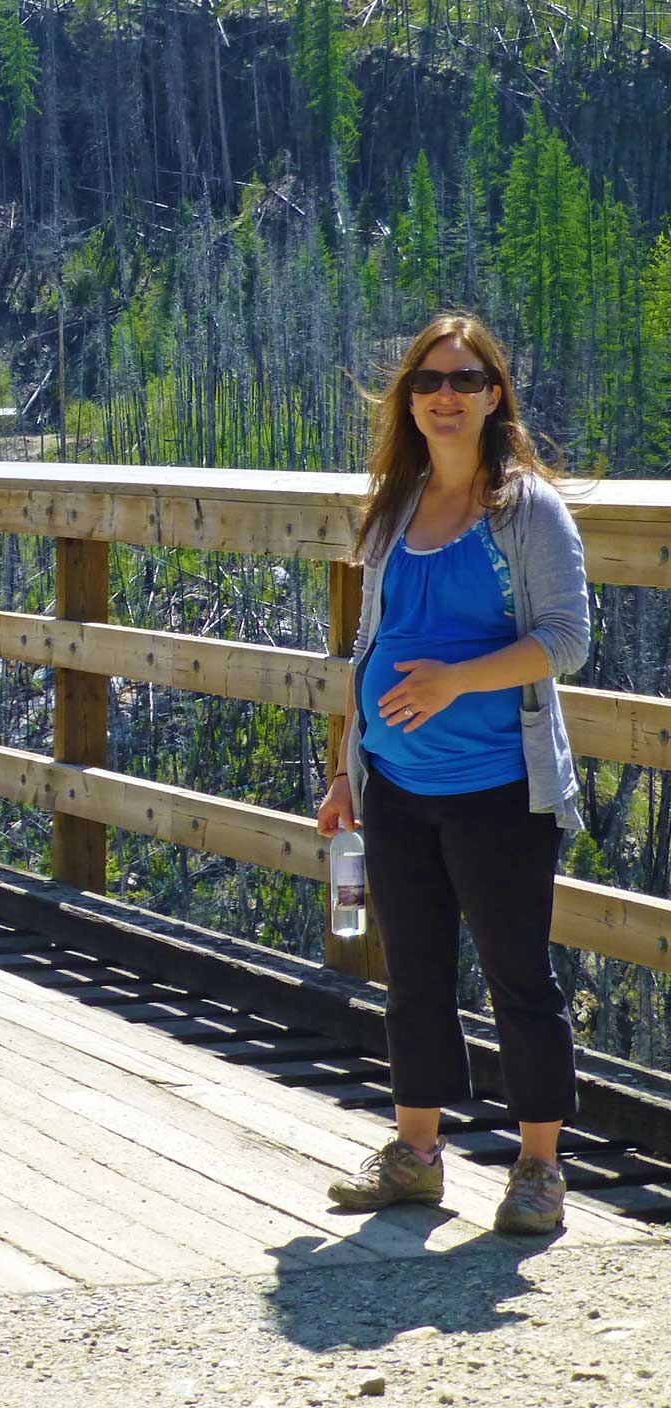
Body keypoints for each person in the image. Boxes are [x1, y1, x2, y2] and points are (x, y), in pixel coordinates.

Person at [315, 313, 590, 1236]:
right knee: (415, 976)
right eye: (430, 380)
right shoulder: (395, 506)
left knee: (518, 976)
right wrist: (348, 771)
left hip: (500, 787)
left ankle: (540, 1169)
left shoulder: (526, 511)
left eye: (466, 381)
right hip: (396, 785)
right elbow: (369, 646)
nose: (446, 395)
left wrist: (454, 683)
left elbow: (567, 640)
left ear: (494, 396)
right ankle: (416, 1156)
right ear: (410, 399)